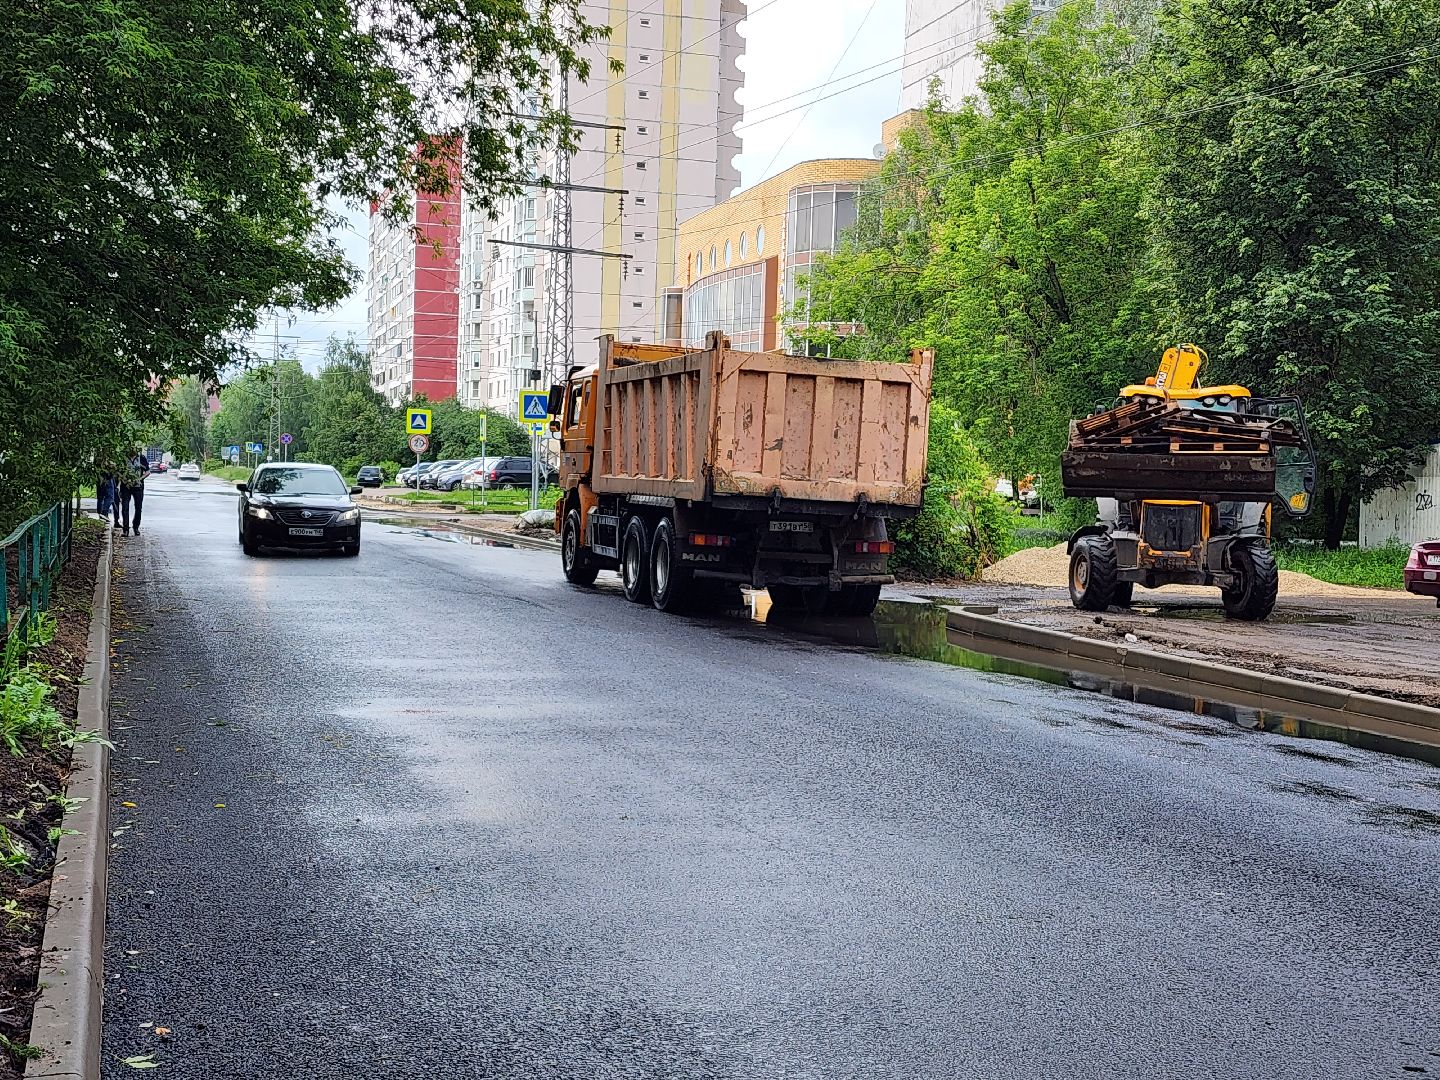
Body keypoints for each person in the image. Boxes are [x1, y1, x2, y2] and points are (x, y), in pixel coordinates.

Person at [118, 449, 150, 536]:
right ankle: (125, 529)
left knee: (138, 508)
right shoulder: (123, 458)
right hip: (126, 486)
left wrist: (139, 479)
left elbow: (147, 472)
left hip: (138, 486)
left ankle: (136, 527)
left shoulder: (141, 458)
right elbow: (118, 471)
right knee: (125, 507)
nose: (132, 450)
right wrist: (124, 479)